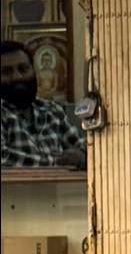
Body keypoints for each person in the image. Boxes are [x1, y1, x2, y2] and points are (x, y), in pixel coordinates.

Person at [0, 39, 86, 171]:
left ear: (33, 70)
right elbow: (4, 158)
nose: (17, 77)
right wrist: (59, 163)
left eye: (23, 69)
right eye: (6, 72)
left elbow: (84, 147)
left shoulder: (52, 110)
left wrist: (81, 156)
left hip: (61, 189)